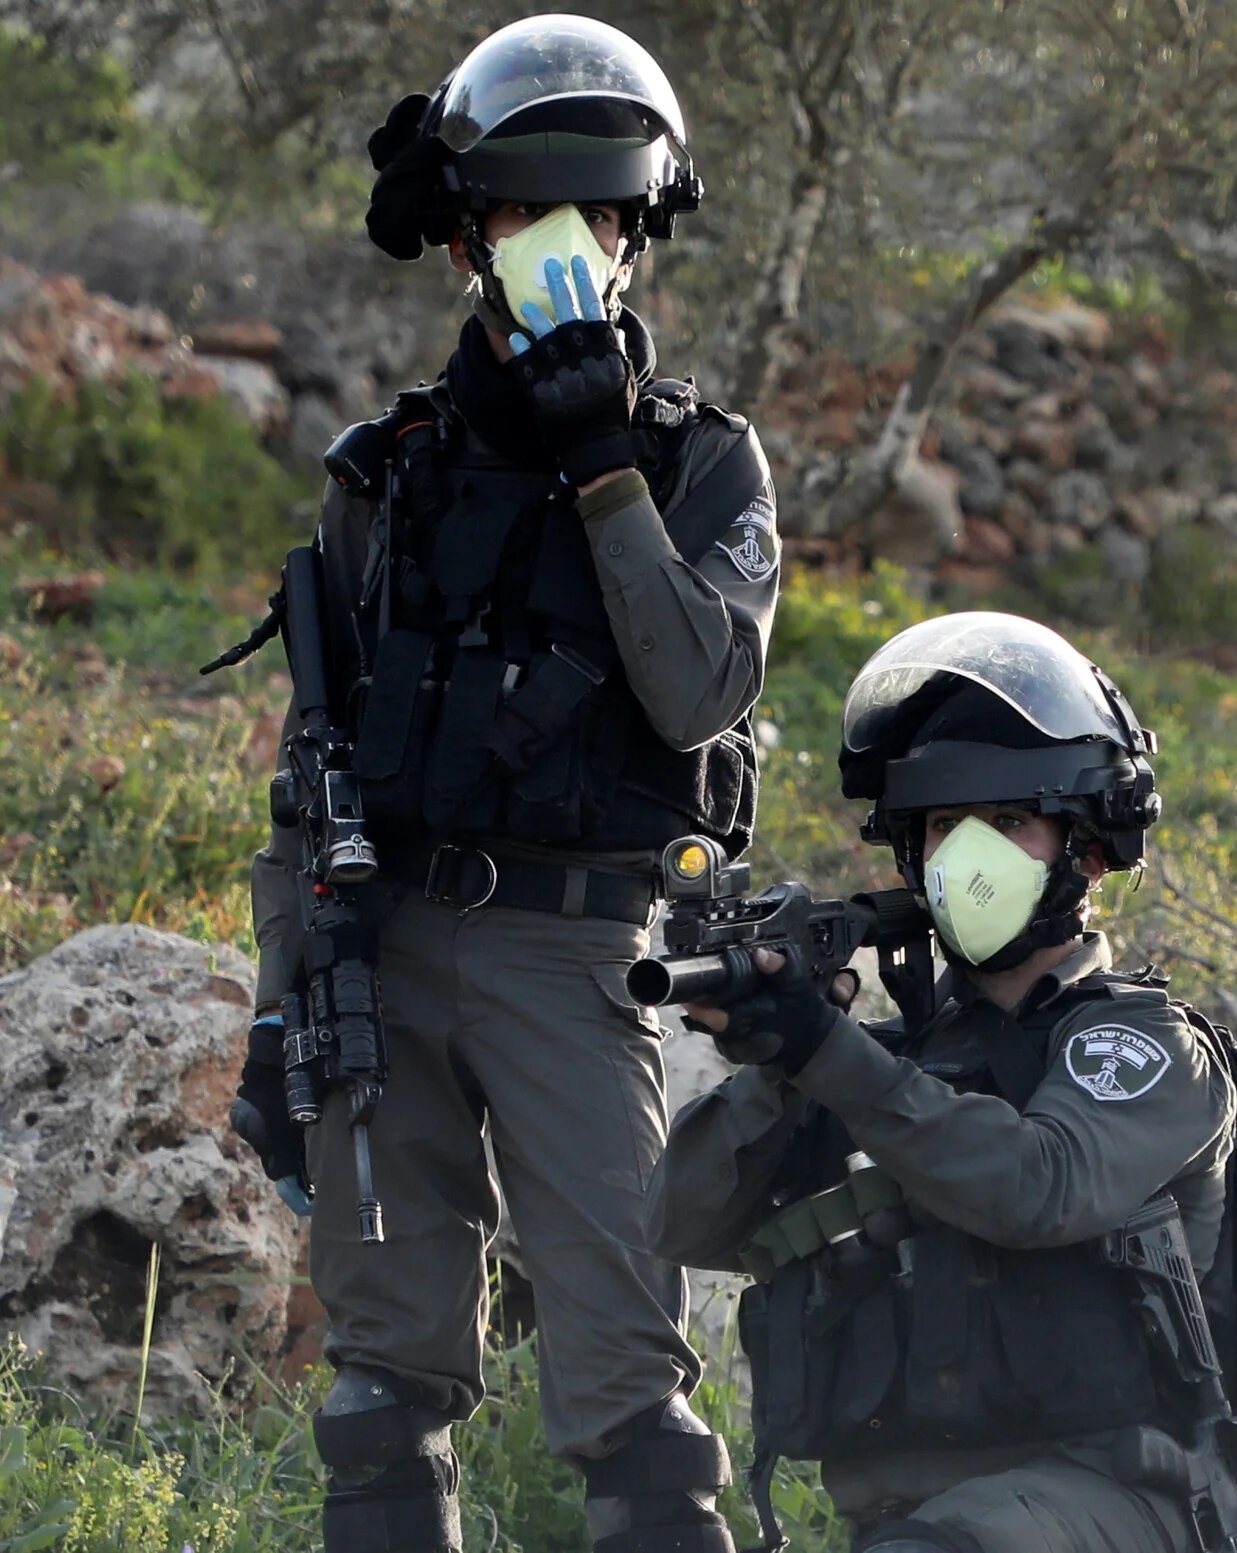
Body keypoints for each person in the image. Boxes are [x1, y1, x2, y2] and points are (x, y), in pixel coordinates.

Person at [226, 17, 776, 1551]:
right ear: (468, 235)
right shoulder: (388, 467)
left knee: (636, 1407)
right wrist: (277, 1005)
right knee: (378, 1392)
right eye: (530, 214)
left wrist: (602, 464)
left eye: (598, 215)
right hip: (382, 949)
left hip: (577, 951)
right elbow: (312, 766)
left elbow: (697, 687)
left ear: (637, 229)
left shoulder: (700, 465)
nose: (565, 246)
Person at [650, 612, 1237, 1553]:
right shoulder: (891, 1063)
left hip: (1122, 1498)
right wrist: (781, 1063)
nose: (969, 856)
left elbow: (1034, 1185)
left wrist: (829, 1052)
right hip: (920, 1522)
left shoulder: (1146, 1048)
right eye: (944, 826)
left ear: (1088, 846)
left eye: (1009, 821)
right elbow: (679, 1222)